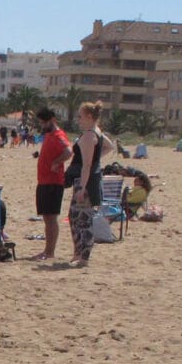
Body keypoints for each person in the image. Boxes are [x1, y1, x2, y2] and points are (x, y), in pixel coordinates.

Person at [67, 101, 109, 267]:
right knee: (75, 217)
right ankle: (79, 252)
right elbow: (109, 147)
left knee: (82, 219)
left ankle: (83, 255)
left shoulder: (89, 136)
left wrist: (82, 187)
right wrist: (97, 161)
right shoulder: (96, 133)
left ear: (90, 117)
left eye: (81, 116)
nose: (78, 119)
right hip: (90, 179)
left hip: (85, 182)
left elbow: (86, 165)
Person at [31, 107, 70, 261]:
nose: (42, 125)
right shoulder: (49, 135)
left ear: (52, 120)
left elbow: (68, 151)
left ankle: (49, 252)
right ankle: (47, 251)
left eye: (43, 122)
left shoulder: (58, 135)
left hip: (53, 183)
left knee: (51, 218)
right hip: (44, 181)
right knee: (47, 218)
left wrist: (56, 162)